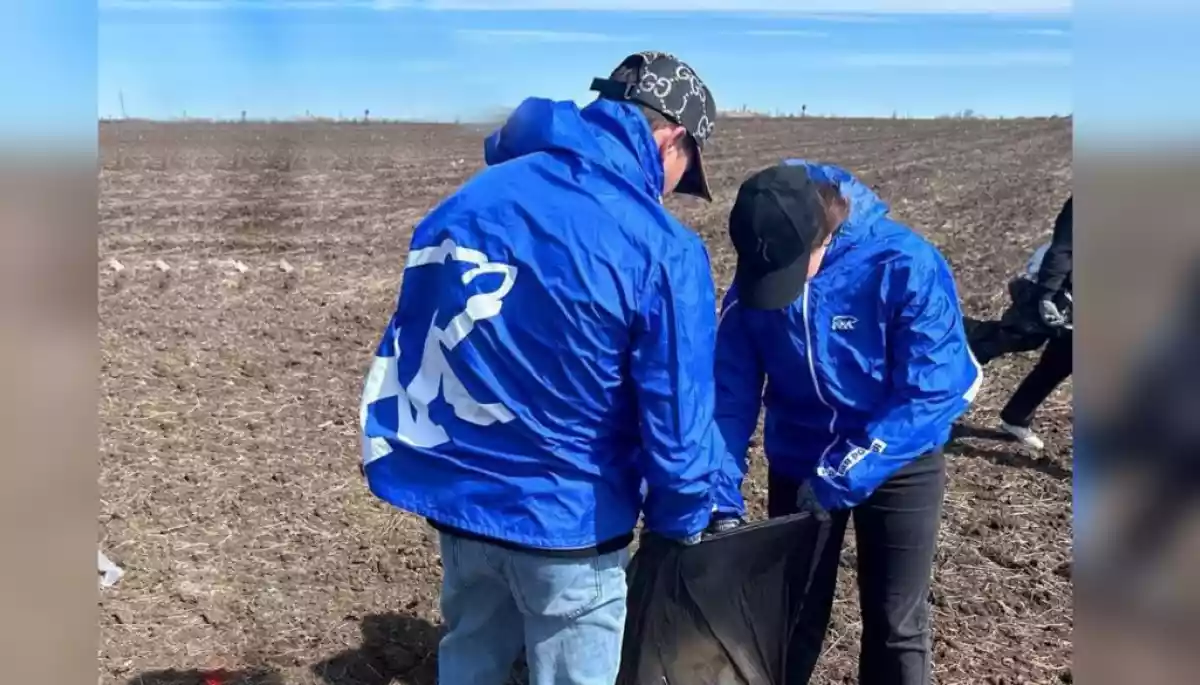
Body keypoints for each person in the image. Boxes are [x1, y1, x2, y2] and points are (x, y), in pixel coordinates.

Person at [358, 52, 723, 685]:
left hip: (465, 509)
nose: (672, 188)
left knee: (470, 656)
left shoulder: (464, 205)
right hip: (570, 523)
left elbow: (416, 340)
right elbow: (678, 418)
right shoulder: (662, 249)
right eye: (684, 167)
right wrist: (682, 522)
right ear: (671, 137)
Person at [711, 161, 982, 685]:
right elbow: (729, 395)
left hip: (897, 460)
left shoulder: (903, 265)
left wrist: (847, 471)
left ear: (823, 236)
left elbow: (931, 390)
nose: (777, 287)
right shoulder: (754, 285)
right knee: (789, 613)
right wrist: (721, 495)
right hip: (800, 459)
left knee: (895, 621)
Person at [968, 195, 1072, 449]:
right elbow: (1064, 248)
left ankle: (1016, 417)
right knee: (1014, 337)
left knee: (1064, 356)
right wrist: (1047, 294)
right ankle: (945, 366)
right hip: (1060, 286)